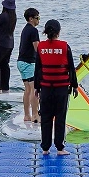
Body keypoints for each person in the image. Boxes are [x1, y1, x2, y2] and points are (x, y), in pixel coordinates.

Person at [34, 18, 77, 155]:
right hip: (61, 89)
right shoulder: (65, 46)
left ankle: (45, 148)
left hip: (45, 88)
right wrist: (75, 86)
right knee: (60, 117)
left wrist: (36, 87)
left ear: (45, 32)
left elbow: (38, 69)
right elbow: (71, 68)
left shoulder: (40, 47)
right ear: (58, 32)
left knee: (45, 118)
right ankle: (60, 148)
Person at [17, 7, 41, 124]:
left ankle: (27, 115)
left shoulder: (25, 29)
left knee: (27, 89)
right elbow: (38, 48)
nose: (38, 20)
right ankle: (35, 115)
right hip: (29, 63)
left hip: (21, 62)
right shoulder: (33, 31)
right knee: (34, 89)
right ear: (31, 19)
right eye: (37, 18)